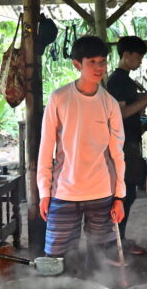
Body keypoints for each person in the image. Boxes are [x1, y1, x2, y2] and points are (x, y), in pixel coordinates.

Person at [37, 35, 127, 259]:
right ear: (77, 64)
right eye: (92, 62)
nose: (99, 68)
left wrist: (119, 197)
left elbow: (117, 153)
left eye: (103, 62)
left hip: (102, 191)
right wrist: (43, 192)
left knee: (101, 259)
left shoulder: (110, 103)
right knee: (57, 257)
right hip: (64, 191)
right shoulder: (59, 98)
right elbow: (46, 147)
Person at [105, 36, 147, 255]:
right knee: (125, 193)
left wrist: (146, 100)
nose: (140, 61)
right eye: (138, 56)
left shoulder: (125, 80)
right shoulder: (118, 80)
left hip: (129, 140)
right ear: (127, 55)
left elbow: (131, 107)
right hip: (122, 144)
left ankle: (119, 239)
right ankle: (114, 243)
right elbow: (121, 113)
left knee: (127, 193)